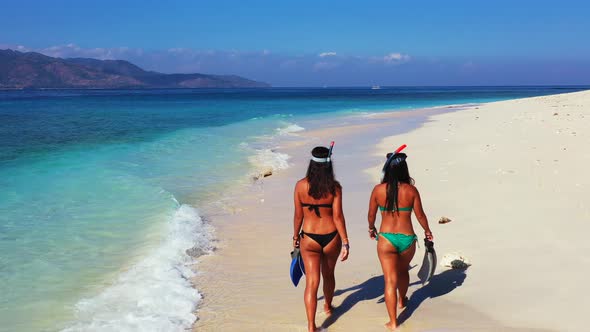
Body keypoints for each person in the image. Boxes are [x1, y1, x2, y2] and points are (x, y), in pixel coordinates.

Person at [367, 150, 433, 330]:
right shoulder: (411, 190)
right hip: (407, 239)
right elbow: (420, 215)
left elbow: (371, 215)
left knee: (389, 280)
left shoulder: (378, 190)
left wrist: (372, 228)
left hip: (386, 238)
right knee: (403, 271)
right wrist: (427, 231)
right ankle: (402, 301)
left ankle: (393, 322)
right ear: (404, 169)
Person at [293, 145, 350, 332]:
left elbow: (298, 216)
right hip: (331, 237)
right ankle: (327, 306)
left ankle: (311, 326)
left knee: (311, 282)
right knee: (328, 275)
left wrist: (295, 237)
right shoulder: (334, 187)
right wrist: (346, 242)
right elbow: (338, 217)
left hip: (308, 238)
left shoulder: (300, 185)